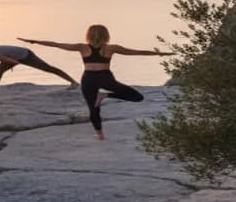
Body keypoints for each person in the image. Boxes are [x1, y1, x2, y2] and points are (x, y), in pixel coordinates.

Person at [18, 26, 168, 140]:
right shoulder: (111, 48)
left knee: (93, 108)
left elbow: (57, 44)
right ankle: (105, 95)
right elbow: (136, 52)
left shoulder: (82, 47)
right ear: (106, 35)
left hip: (88, 79)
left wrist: (35, 41)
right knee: (137, 97)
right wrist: (159, 53)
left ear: (88, 35)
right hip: (106, 78)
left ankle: (100, 134)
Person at [0, 44, 78, 95]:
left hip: (26, 55)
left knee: (48, 68)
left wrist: (12, 64)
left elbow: (13, 61)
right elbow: (8, 58)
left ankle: (73, 82)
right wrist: (7, 64)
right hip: (16, 57)